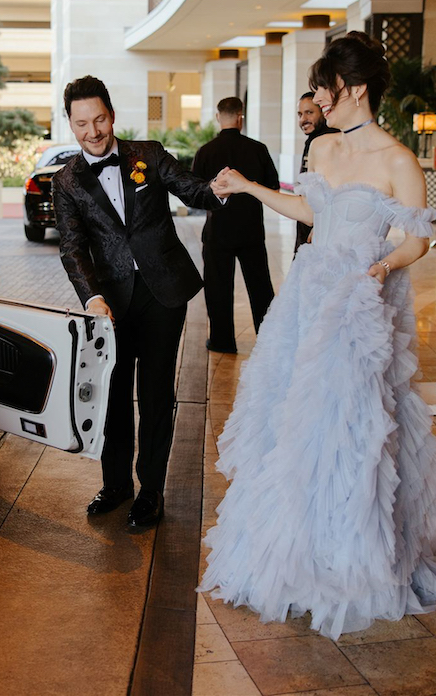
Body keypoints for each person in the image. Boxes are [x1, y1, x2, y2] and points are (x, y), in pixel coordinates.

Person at [198, 32, 436, 639]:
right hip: (307, 299)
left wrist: (381, 266)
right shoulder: (322, 149)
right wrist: (248, 188)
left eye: (324, 88)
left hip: (355, 309)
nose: (317, 99)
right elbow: (312, 214)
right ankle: (295, 553)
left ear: (351, 89)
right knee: (293, 422)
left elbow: (418, 239)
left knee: (349, 425)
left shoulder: (397, 160)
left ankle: (350, 558)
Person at [51, 75, 227, 527]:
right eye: (82, 123)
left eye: (100, 119)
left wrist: (221, 187)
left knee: (154, 395)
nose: (93, 131)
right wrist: (91, 297)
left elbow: (194, 189)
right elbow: (71, 247)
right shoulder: (66, 181)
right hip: (110, 303)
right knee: (110, 396)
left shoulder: (147, 154)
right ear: (70, 124)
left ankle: (150, 491)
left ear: (112, 114)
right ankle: (115, 485)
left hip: (163, 294)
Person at [191, 97, 279, 354]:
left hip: (218, 230)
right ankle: (268, 340)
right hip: (251, 229)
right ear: (241, 117)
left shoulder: (206, 151)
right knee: (260, 287)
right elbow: (272, 187)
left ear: (218, 117)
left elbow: (195, 193)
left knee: (218, 287)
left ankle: (222, 341)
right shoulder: (258, 149)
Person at [295, 91, 338, 251]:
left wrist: (319, 225)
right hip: (308, 221)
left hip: (322, 229)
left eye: (309, 113)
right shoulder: (313, 140)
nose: (303, 120)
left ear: (323, 112)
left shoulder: (331, 141)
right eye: (300, 114)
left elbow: (335, 188)